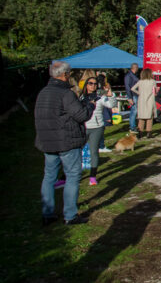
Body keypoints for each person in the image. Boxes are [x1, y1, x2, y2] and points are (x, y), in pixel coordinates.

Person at [35, 61, 94, 225]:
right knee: (72, 176)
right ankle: (70, 215)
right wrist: (90, 106)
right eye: (69, 74)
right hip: (66, 141)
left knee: (49, 176)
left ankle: (47, 213)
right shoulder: (66, 94)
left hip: (47, 141)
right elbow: (81, 115)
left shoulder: (43, 92)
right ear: (64, 75)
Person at [80, 77, 117, 186]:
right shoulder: (81, 97)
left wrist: (111, 95)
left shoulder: (100, 97)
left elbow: (112, 105)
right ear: (86, 85)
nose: (93, 85)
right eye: (90, 83)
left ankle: (92, 177)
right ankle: (69, 174)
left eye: (95, 84)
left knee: (94, 152)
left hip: (96, 127)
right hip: (83, 126)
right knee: (76, 151)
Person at [131, 68, 157, 138]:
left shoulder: (140, 82)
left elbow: (132, 88)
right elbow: (154, 91)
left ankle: (140, 132)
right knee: (149, 118)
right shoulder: (153, 81)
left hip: (141, 100)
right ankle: (149, 133)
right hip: (150, 100)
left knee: (141, 118)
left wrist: (139, 93)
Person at [124, 63, 140, 133]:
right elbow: (127, 87)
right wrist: (130, 97)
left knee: (135, 111)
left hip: (136, 94)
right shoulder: (128, 76)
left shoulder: (133, 75)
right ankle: (132, 127)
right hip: (132, 95)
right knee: (134, 111)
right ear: (135, 68)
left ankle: (133, 125)